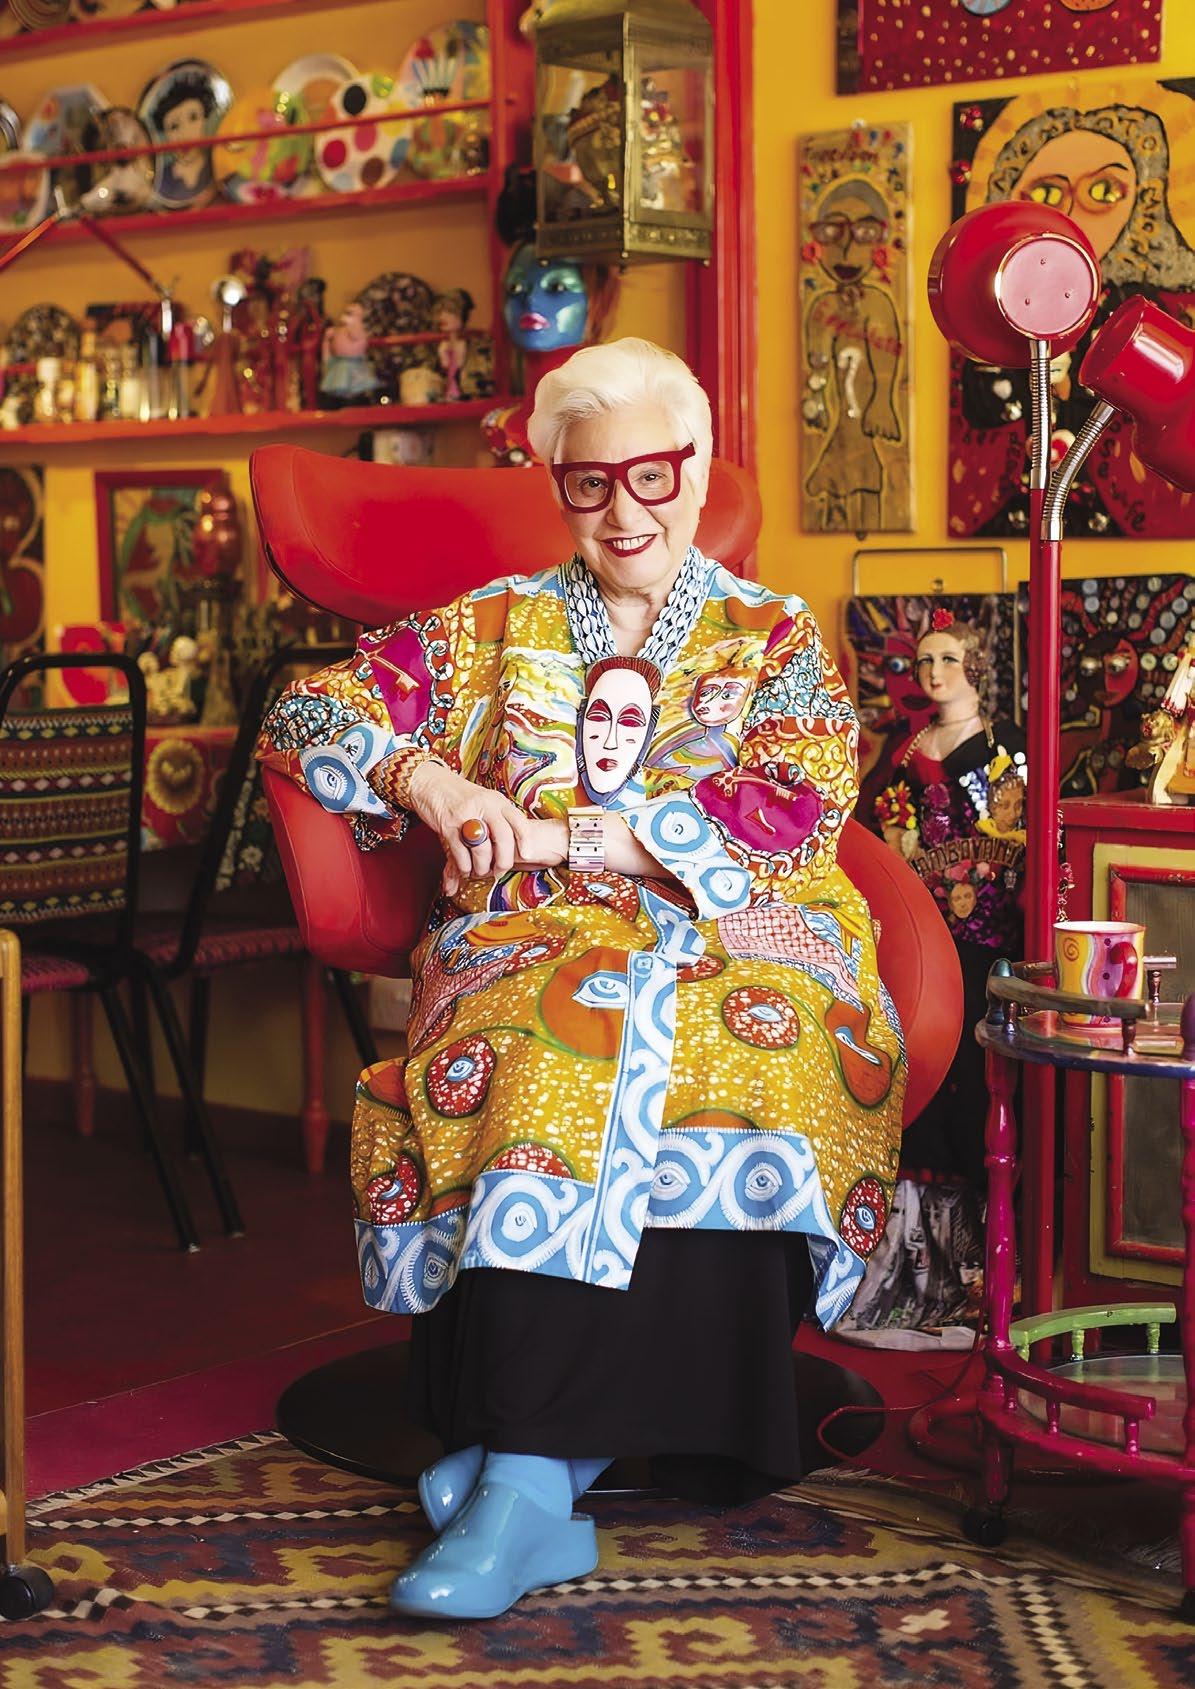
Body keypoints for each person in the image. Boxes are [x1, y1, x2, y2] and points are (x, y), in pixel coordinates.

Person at [258, 338, 905, 1620]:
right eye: (589, 483)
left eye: (653, 476)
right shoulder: (495, 624)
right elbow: (307, 712)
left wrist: (567, 835)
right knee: (543, 1051)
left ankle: (522, 1480)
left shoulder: (771, 634)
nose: (624, 512)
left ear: (698, 470)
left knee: (762, 1048)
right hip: (532, 935)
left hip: (744, 925)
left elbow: (790, 809)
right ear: (556, 485)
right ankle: (536, 1481)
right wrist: (431, 784)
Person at [843, 610, 1025, 1340]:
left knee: (977, 1089)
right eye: (922, 661)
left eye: (946, 659)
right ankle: (918, 1268)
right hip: (920, 947)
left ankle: (985, 1268)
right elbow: (869, 835)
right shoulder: (904, 751)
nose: (932, 673)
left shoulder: (1006, 751)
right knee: (913, 1078)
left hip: (987, 948)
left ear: (974, 667)